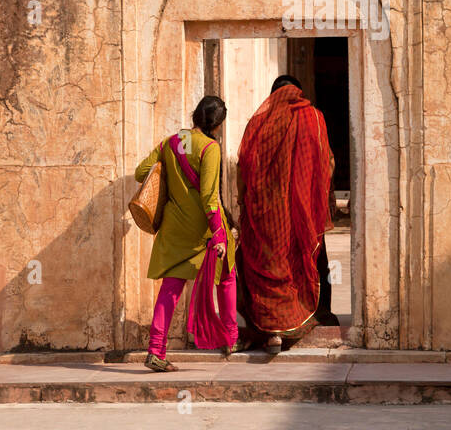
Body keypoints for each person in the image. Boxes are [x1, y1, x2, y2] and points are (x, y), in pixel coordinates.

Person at [134, 95, 238, 372]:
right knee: (226, 276)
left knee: (170, 290)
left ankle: (156, 350)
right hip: (202, 229)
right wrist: (219, 234)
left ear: (195, 116)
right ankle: (229, 338)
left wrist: (169, 170)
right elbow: (209, 198)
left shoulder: (171, 142)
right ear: (218, 125)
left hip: (174, 228)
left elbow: (140, 172)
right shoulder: (210, 148)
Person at [236, 74, 336, 353]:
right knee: (312, 261)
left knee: (267, 266)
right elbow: (326, 161)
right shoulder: (313, 117)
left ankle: (267, 327)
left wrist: (244, 205)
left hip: (266, 215)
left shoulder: (258, 123)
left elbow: (243, 166)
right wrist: (318, 199)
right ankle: (317, 314)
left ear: (271, 96)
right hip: (303, 213)